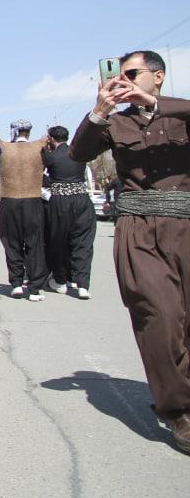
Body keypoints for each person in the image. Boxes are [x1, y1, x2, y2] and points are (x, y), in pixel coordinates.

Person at [69, 50, 190, 453]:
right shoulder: (115, 122)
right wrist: (100, 110)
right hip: (139, 229)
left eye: (133, 73)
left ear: (158, 76)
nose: (126, 81)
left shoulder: (179, 112)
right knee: (159, 316)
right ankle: (178, 410)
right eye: (120, 75)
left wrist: (154, 105)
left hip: (186, 225)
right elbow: (78, 153)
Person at [0, 120, 49, 301]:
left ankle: (16, 283)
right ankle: (34, 287)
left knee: (12, 242)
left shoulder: (5, 148)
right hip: (33, 200)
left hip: (9, 201)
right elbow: (45, 168)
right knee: (34, 243)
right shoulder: (38, 148)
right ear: (28, 133)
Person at [42, 124, 97, 299]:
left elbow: (40, 176)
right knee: (83, 242)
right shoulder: (79, 153)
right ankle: (82, 285)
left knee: (58, 242)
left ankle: (60, 281)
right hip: (82, 201)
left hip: (59, 202)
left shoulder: (49, 156)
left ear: (50, 138)